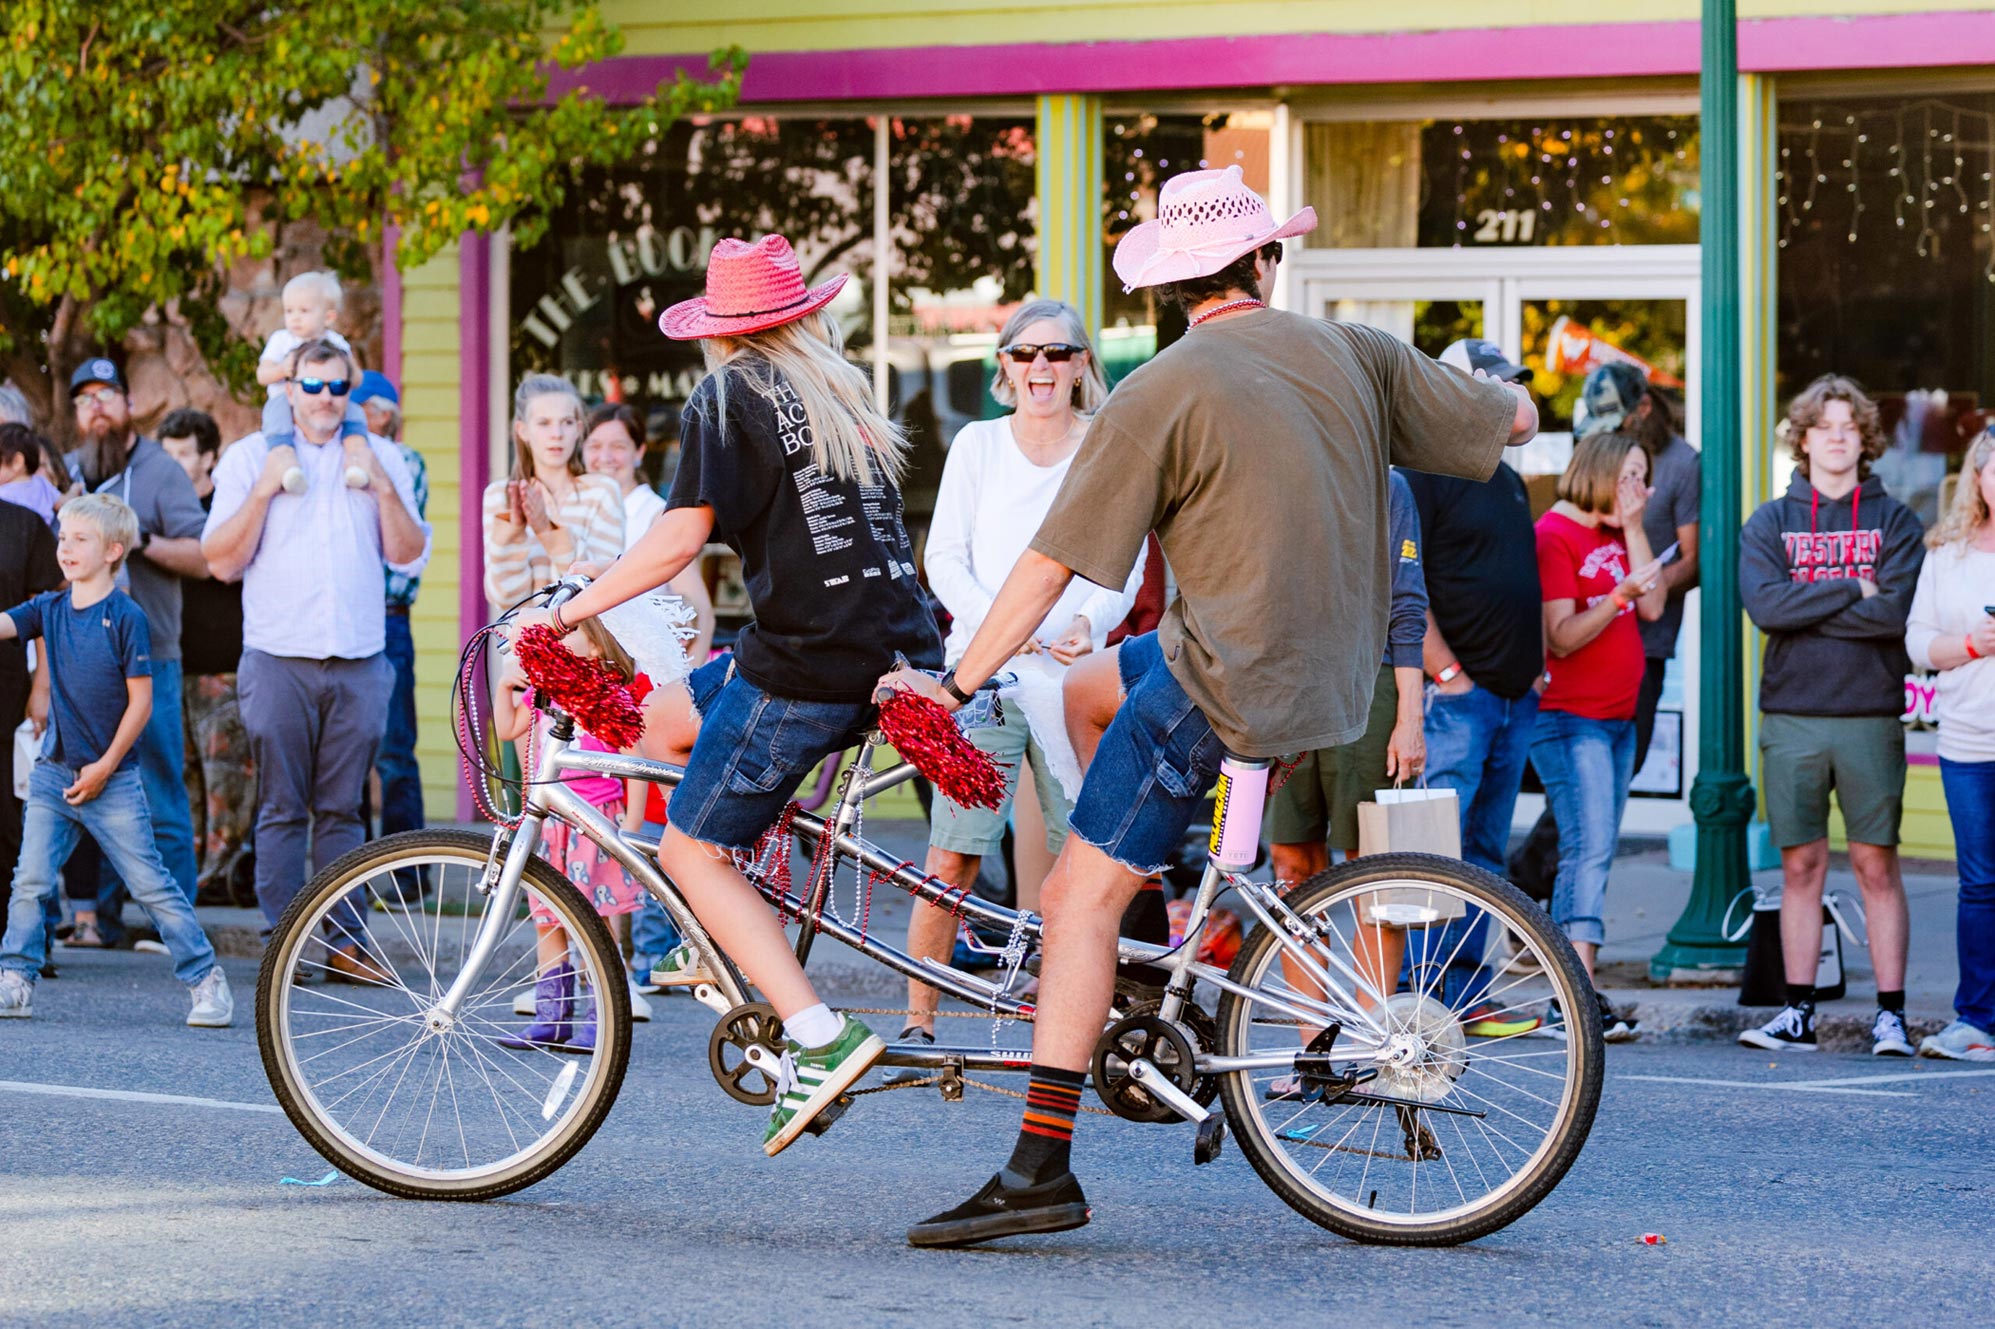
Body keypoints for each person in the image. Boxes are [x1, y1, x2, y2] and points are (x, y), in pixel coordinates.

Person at [880, 164, 1536, 1245]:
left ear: (1168, 287)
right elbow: (1505, 422)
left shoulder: (1161, 389)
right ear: (1265, 263)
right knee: (1093, 694)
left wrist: (953, 683)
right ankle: (1149, 957)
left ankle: (1044, 1164)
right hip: (1333, 677)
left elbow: (1047, 569)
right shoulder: (1356, 352)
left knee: (1068, 901)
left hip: (1219, 678)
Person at [516, 234, 944, 1156]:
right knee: (662, 718)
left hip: (807, 660)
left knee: (691, 849)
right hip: (886, 645)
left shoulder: (728, 391)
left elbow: (680, 538)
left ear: (720, 332)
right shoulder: (837, 390)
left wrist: (568, 616)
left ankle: (820, 1037)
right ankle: (735, 916)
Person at [894, 298, 1141, 1047]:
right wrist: (1017, 630)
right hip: (986, 678)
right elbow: (943, 560)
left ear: (1081, 365)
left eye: (1058, 353)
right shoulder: (977, 444)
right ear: (1003, 364)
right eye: (1026, 353)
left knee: (1085, 860)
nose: (1042, 367)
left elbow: (1125, 557)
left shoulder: (1105, 444)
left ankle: (1077, 1019)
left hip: (1071, 678)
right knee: (953, 851)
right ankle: (919, 1017)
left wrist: (1085, 620)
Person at [201, 338, 429, 971]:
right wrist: (264, 493)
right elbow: (219, 560)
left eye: (337, 387)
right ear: (290, 388)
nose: (325, 399)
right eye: (312, 386)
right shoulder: (251, 457)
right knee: (280, 805)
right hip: (278, 655)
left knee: (345, 807)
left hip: (359, 657)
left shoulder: (381, 456)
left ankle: (344, 943)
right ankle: (286, 941)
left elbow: (408, 551)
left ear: (348, 391)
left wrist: (382, 485)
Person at [1736, 374, 1925, 1057]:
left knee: (1876, 863)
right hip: (1791, 714)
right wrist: (1850, 585)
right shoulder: (1770, 520)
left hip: (1868, 712)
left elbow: (1892, 616)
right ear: (1804, 436)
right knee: (1799, 866)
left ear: (1863, 438)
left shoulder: (1895, 520)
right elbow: (1765, 608)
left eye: (1849, 425)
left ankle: (1890, 1015)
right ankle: (1795, 1011)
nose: (1837, 436)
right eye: (1824, 425)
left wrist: (1806, 601)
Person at [0, 494, 232, 1026]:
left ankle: (206, 980)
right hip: (53, 776)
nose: (65, 548)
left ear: (113, 550)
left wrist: (106, 765)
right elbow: (7, 625)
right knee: (30, 881)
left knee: (151, 885)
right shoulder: (49, 610)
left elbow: (142, 702)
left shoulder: (125, 616)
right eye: (63, 538)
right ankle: (15, 979)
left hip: (114, 781)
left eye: (79, 539)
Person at [1397, 338, 1546, 1032]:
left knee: (1483, 853)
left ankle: (1465, 995)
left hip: (1513, 698)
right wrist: (1445, 673)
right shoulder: (1424, 474)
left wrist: (1534, 664)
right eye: (1493, 383)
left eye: (1513, 383)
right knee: (1437, 853)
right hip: (1459, 698)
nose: (1512, 394)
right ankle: (1422, 998)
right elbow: (1399, 583)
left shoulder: (1507, 477)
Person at [1262, 466, 1425, 1048]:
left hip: (1368, 685)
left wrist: (1410, 716)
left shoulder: (1386, 483)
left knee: (1373, 871)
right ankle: (1312, 1050)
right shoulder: (1275, 468)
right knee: (1290, 864)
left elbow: (1407, 603)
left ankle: (1374, 1043)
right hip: (1281, 687)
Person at [64, 358, 208, 940]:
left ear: (128, 405)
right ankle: (97, 917)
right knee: (91, 783)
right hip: (83, 660)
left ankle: (170, 923)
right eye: (85, 398)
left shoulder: (160, 472)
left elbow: (203, 557)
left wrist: (140, 539)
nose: (97, 405)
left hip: (152, 656)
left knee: (159, 785)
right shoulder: (71, 472)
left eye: (108, 394)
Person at [1530, 432, 1666, 1040]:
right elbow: (1561, 635)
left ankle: (1578, 989)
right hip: (1568, 716)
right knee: (1585, 849)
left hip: (1617, 718)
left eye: (1645, 477)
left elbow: (1657, 604)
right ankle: (1572, 998)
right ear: (1601, 472)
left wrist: (1635, 528)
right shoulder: (1553, 537)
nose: (1639, 489)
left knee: (1598, 848)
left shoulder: (1618, 533)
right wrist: (1616, 598)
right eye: (1630, 475)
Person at [580, 401, 716, 985]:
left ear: (638, 451)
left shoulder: (652, 515)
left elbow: (697, 612)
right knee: (598, 813)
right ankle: (611, 954)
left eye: (618, 445)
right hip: (597, 679)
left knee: (653, 816)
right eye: (596, 446)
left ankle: (660, 951)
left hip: (645, 684)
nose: (605, 456)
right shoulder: (581, 511)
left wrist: (674, 679)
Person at [491, 617, 654, 1050]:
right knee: (548, 918)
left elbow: (633, 757)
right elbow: (508, 730)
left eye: (570, 632)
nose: (558, 639)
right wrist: (505, 686)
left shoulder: (604, 694)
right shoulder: (545, 692)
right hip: (549, 821)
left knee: (597, 920)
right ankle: (552, 1017)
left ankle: (602, 1015)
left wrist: (632, 823)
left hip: (593, 817)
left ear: (597, 647)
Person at [1906, 428, 1995, 1061]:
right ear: (1979, 477)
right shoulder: (1949, 552)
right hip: (1968, 740)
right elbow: (1918, 644)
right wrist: (1973, 646)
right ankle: (1977, 1019)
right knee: (1981, 885)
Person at [1575, 362, 1702, 772]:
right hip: (1586, 632)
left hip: (1646, 641)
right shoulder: (1599, 451)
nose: (1611, 432)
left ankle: (1553, 841)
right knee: (1582, 768)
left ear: (1645, 407)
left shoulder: (1683, 464)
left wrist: (1642, 588)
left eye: (1619, 421)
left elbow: (1693, 561)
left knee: (1626, 762)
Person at [158, 408, 255, 908]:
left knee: (227, 780)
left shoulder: (224, 506)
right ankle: (191, 873)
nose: (174, 464)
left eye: (184, 454)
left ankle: (224, 875)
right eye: (167, 453)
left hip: (224, 663)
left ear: (210, 457)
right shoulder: (157, 508)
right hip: (174, 662)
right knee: (185, 776)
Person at [352, 371, 429, 902]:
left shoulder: (405, 463)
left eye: (360, 410)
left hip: (386, 613)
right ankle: (353, 874)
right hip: (350, 619)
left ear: (383, 415)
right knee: (350, 753)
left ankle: (408, 878)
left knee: (394, 751)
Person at [483, 376, 625, 608]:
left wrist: (550, 533)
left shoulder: (601, 492)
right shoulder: (500, 496)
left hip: (582, 642)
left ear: (579, 429)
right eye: (544, 423)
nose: (557, 434)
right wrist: (514, 532)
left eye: (567, 422)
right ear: (522, 430)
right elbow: (504, 597)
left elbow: (602, 588)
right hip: (521, 641)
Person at [0, 482, 60, 948]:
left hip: (7, 691)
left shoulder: (23, 525)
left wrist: (42, 685)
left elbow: (43, 612)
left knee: (8, 816)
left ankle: (19, 941)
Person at [256, 271, 370, 466]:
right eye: (289, 311)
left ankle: (355, 462)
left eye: (304, 311)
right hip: (284, 400)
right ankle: (287, 466)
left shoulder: (335, 342)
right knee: (277, 423)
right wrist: (282, 369)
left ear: (328, 317)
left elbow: (357, 379)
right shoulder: (282, 341)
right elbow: (262, 375)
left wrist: (345, 372)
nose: (295, 318)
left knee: (355, 414)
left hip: (328, 400)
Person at [0, 423, 61, 525]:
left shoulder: (4, 495)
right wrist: (76, 489)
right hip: (46, 536)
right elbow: (64, 503)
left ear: (17, 462)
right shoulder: (42, 483)